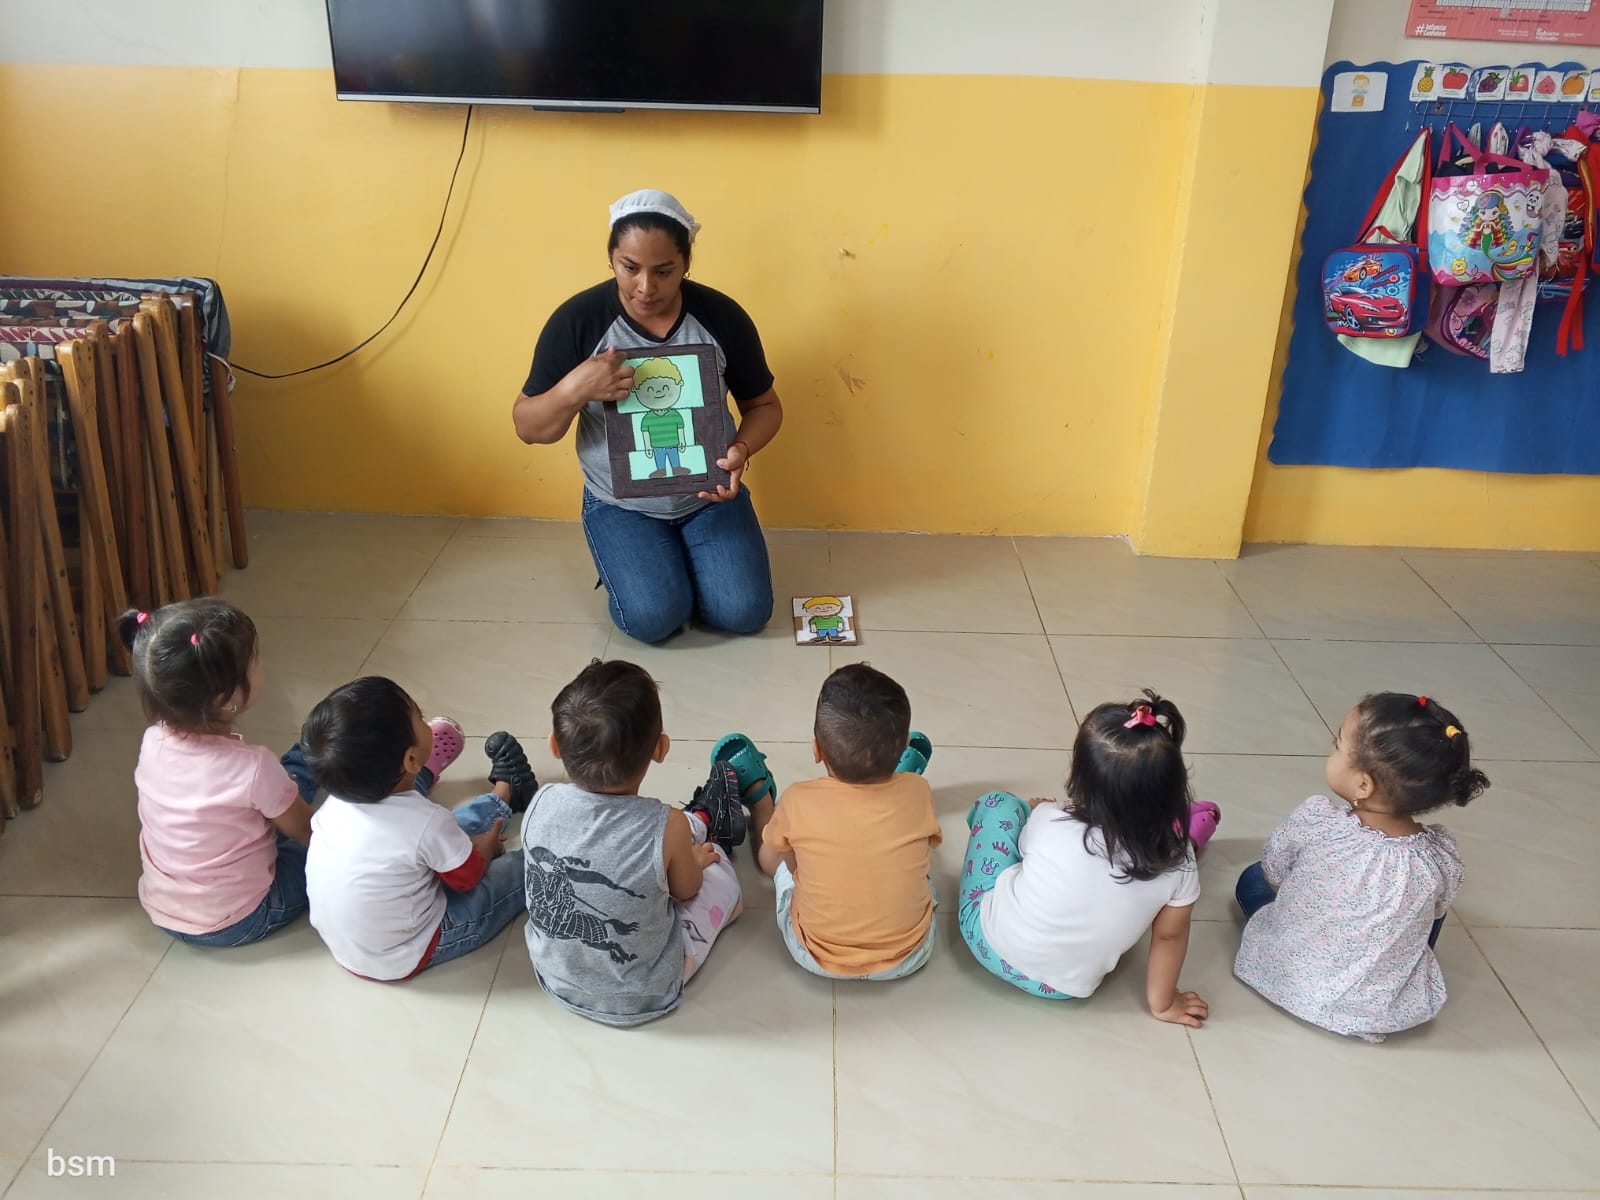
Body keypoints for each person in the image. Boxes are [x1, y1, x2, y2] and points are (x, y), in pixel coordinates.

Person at [512, 188, 783, 644]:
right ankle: (649, 565)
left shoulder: (721, 316)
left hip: (708, 496)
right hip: (620, 503)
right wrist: (577, 388)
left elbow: (765, 407)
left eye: (664, 271)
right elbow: (528, 428)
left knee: (744, 613)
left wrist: (741, 448)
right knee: (652, 620)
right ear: (611, 259)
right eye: (629, 267)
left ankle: (679, 564)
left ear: (686, 262)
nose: (645, 287)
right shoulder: (579, 320)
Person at [1234, 693, 1488, 1042]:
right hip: (1376, 1009)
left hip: (1284, 977)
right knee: (1431, 905)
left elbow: (1274, 875)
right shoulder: (1438, 858)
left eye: (1337, 745)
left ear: (1363, 785)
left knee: (1252, 879)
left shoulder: (1317, 823)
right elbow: (1436, 910)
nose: (1331, 750)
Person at [959, 690, 1211, 1026]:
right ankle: (1191, 826)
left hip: (988, 941)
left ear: (1079, 779)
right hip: (1066, 987)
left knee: (999, 805)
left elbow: (1021, 848)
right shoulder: (1180, 861)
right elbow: (1169, 936)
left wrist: (1037, 813)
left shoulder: (1050, 820)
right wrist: (1164, 1005)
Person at [520, 659, 747, 1026]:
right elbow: (687, 890)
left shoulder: (541, 802)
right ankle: (707, 824)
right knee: (720, 872)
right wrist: (695, 862)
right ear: (661, 748)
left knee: (669, 838)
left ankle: (702, 818)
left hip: (557, 979)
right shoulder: (666, 824)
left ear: (554, 745)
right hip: (647, 993)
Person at [301, 677, 537, 981]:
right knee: (514, 870)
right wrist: (488, 848)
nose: (427, 724)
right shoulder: (426, 822)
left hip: (350, 948)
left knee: (442, 835)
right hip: (411, 948)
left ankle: (505, 794)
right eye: (420, 718)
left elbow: (422, 836)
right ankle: (535, 830)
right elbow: (467, 877)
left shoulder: (334, 806)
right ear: (412, 759)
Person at [122, 600, 320, 947]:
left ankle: (308, 757)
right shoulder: (254, 766)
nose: (261, 665)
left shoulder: (153, 740)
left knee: (279, 785)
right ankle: (340, 756)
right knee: (336, 850)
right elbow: (309, 832)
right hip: (241, 917)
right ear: (225, 697)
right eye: (255, 660)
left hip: (164, 909)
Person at [745, 664, 941, 981]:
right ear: (904, 744)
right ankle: (897, 777)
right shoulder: (919, 791)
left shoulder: (798, 799)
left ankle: (759, 802)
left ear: (817, 751)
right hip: (908, 954)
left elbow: (770, 861)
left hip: (814, 954)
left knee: (777, 850)